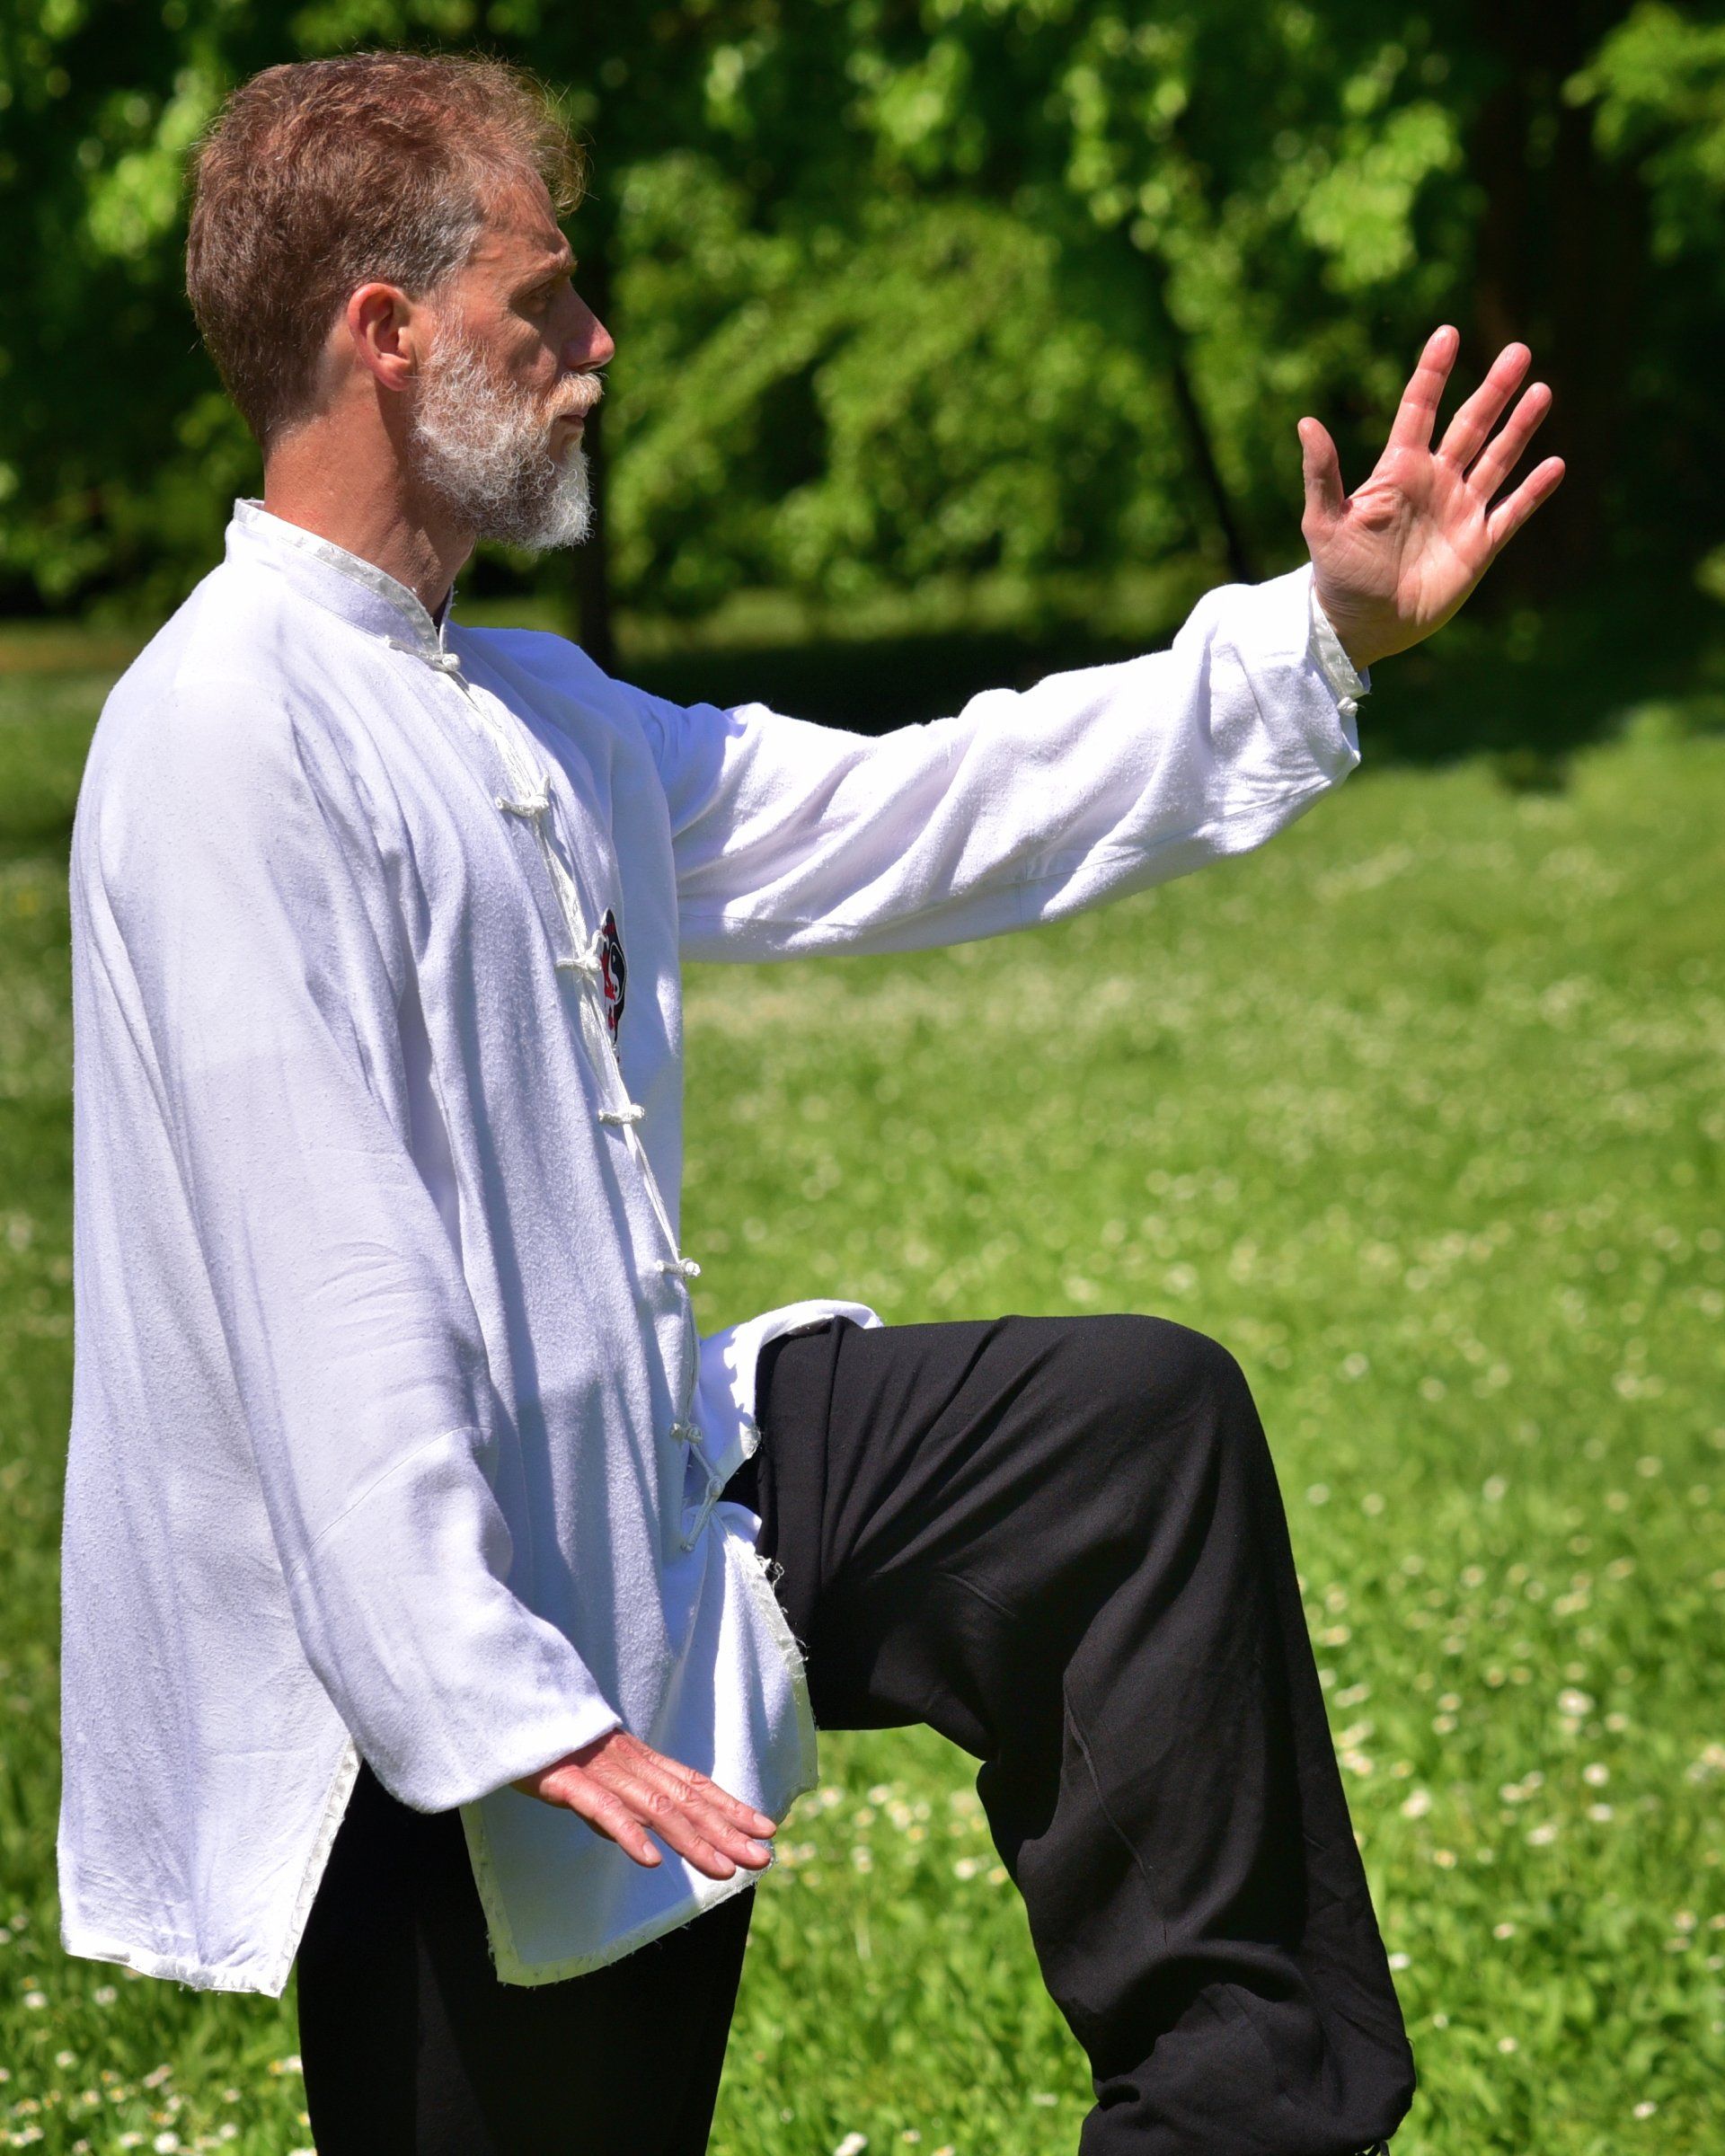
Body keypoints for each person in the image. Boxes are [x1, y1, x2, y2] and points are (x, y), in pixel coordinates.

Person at [57, 48, 1562, 2156]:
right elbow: (324, 1274)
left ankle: (1238, 2115)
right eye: (545, 303)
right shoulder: (226, 735)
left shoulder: (520, 705)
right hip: (421, 1682)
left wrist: (1312, 639)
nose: (595, 354)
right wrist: (492, 1696)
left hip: (652, 1481)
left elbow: (921, 809)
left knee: (1123, 1439)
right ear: (382, 337)